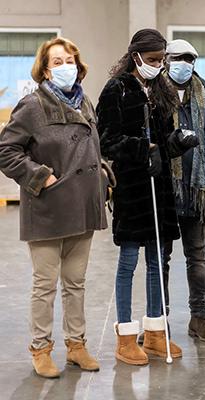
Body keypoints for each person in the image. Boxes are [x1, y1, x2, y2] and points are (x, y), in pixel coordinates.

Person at [0, 37, 112, 378]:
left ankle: (76, 346)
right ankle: (41, 349)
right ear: (46, 70)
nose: (67, 66)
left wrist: (104, 175)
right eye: (59, 61)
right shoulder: (32, 105)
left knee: (76, 283)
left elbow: (91, 148)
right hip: (49, 208)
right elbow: (6, 152)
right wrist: (41, 177)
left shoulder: (85, 102)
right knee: (45, 285)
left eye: (71, 60)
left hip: (84, 207)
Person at [97, 29, 197, 366]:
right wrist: (145, 149)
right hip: (132, 190)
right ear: (136, 56)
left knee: (157, 262)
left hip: (160, 188)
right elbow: (107, 140)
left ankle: (155, 333)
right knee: (128, 263)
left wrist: (175, 143)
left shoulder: (159, 89)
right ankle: (125, 337)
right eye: (153, 60)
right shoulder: (116, 89)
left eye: (161, 60)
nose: (158, 66)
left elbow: (163, 141)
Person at [162, 39, 205, 343]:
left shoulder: (204, 91)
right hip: (166, 190)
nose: (184, 63)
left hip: (196, 191)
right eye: (178, 58)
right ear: (165, 60)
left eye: (189, 58)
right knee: (161, 258)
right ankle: (159, 321)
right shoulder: (154, 93)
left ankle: (199, 318)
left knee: (197, 256)